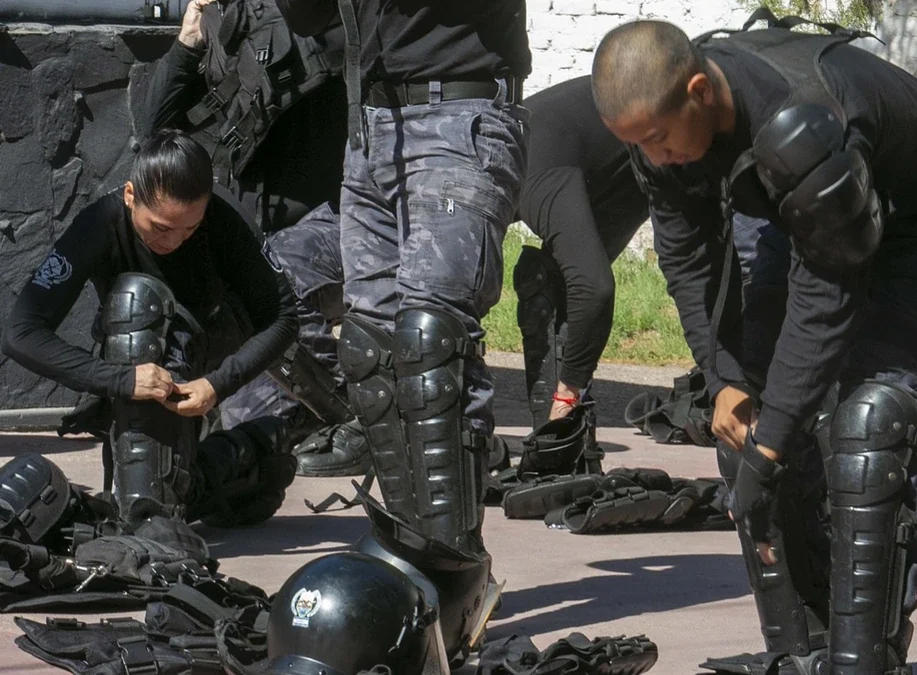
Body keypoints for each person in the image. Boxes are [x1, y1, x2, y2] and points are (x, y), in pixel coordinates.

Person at [591, 11, 917, 675]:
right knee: (746, 424)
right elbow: (688, 262)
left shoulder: (804, 118)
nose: (653, 156)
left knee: (872, 422)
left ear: (699, 91)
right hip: (801, 206)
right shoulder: (667, 129)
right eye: (637, 144)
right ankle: (803, 651)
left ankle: (864, 658)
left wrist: (774, 435)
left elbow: (826, 298)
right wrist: (723, 378)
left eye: (657, 137)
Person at [275, 0, 530, 667]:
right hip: (371, 125)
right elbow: (307, 20)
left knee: (430, 340)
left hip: (461, 113)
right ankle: (417, 566)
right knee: (373, 351)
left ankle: (453, 579)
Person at [1, 128, 300, 528]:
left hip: (215, 338)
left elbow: (284, 318)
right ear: (129, 195)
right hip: (133, 351)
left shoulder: (224, 218)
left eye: (190, 229)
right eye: (160, 227)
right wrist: (121, 380)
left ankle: (171, 494)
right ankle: (250, 452)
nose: (174, 240)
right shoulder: (97, 224)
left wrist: (217, 384)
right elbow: (21, 332)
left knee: (150, 518)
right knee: (148, 508)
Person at [143, 0, 369, 477]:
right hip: (256, 245)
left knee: (275, 274)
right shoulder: (225, 34)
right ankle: (296, 423)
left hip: (339, 223)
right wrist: (188, 44)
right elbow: (152, 134)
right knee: (251, 433)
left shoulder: (315, 20)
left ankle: (364, 418)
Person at [513, 74, 650, 429]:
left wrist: (567, 390)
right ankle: (559, 435)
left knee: (572, 286)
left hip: (633, 149)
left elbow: (595, 288)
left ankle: (562, 416)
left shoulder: (532, 172)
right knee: (553, 285)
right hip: (619, 154)